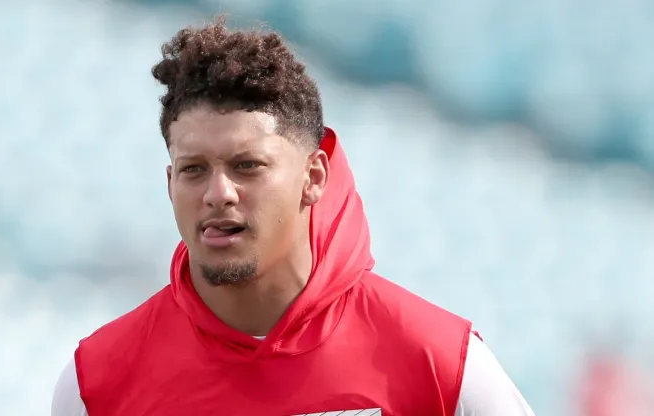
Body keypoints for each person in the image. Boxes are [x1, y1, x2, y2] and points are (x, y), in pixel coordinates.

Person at [51, 18, 535, 416]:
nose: (218, 193)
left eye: (248, 166)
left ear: (314, 177)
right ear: (169, 183)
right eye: (193, 170)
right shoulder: (95, 385)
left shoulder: (444, 369)